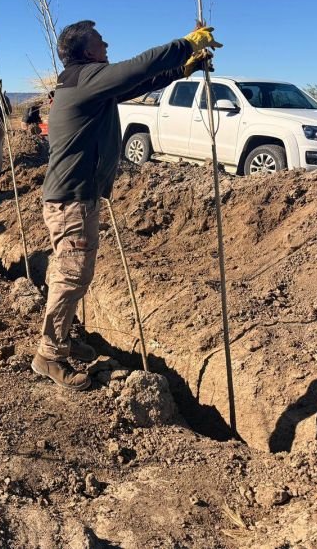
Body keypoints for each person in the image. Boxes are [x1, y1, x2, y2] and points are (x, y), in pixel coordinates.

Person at [32, 20, 220, 391]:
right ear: (87, 52)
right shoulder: (86, 78)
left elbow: (140, 82)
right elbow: (137, 67)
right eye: (101, 41)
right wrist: (186, 43)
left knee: (73, 275)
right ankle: (50, 355)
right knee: (71, 278)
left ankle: (62, 340)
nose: (107, 44)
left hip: (74, 197)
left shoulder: (84, 85)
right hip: (71, 199)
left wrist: (186, 68)